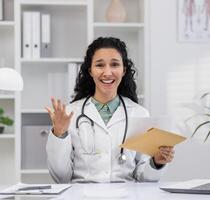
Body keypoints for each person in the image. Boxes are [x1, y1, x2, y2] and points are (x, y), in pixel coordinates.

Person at [45, 37, 175, 183]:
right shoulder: (70, 114)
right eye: (100, 65)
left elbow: (144, 178)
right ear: (90, 71)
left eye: (114, 64)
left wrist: (156, 162)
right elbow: (61, 178)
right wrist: (59, 133)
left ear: (124, 70)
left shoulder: (139, 114)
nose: (107, 73)